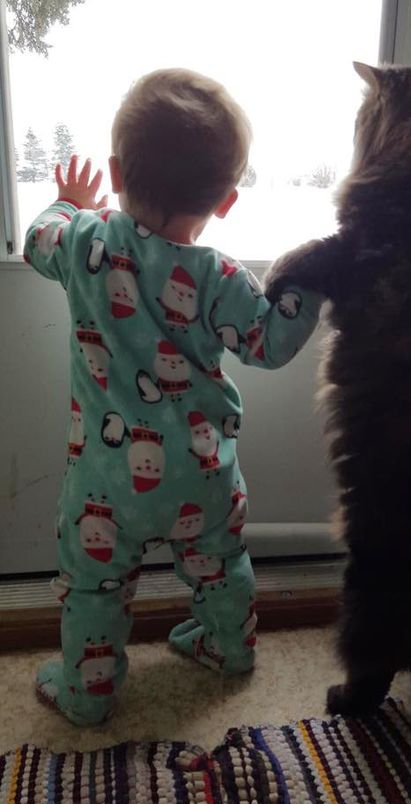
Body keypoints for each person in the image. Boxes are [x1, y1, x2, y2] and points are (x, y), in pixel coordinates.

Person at [24, 67, 322, 726]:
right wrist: (311, 283)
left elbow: (36, 241)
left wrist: (70, 202)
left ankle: (88, 690)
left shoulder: (85, 241)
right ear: (225, 202)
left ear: (117, 174)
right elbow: (270, 342)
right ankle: (230, 647)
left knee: (94, 585)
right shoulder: (217, 275)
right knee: (222, 564)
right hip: (201, 473)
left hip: (103, 483)